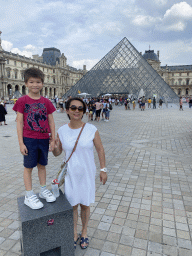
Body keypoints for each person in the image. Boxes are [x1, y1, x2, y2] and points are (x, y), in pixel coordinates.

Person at [52, 97, 107, 250]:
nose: (77, 111)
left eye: (80, 108)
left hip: (87, 173)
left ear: (83, 111)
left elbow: (100, 149)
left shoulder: (91, 129)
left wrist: (103, 169)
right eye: (73, 108)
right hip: (71, 174)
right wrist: (54, 147)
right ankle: (74, 233)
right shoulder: (62, 130)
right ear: (67, 110)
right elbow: (58, 153)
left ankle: (84, 232)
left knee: (85, 204)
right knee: (72, 205)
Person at [13, 68, 56, 210]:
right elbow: (19, 122)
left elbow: (51, 121)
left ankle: (43, 190)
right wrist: (21, 143)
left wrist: (53, 139)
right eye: (31, 82)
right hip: (29, 139)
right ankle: (29, 195)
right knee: (28, 167)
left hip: (43, 138)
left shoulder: (46, 102)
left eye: (38, 82)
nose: (35, 85)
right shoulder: (22, 101)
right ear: (26, 83)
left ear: (42, 83)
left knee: (42, 165)